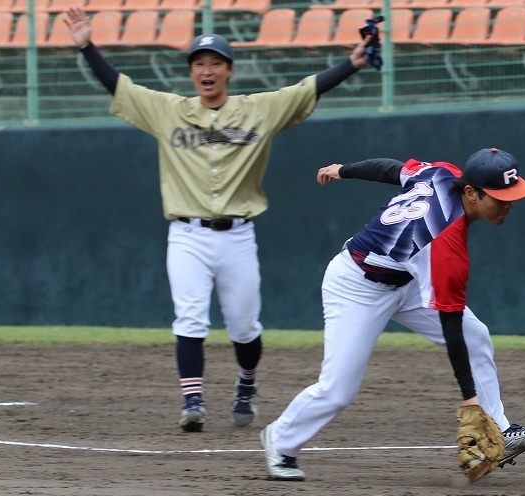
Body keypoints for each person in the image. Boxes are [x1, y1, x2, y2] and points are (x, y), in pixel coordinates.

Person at [63, 7, 374, 432]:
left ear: (229, 70)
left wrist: (352, 64)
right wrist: (87, 46)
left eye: (215, 63)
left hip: (237, 236)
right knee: (190, 317)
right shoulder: (168, 110)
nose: (206, 70)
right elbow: (120, 86)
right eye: (199, 63)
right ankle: (193, 401)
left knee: (244, 325)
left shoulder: (258, 110)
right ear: (192, 72)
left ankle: (246, 383)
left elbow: (306, 89)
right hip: (186, 235)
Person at [260, 148, 525, 480]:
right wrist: (469, 399)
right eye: (500, 197)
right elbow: (450, 325)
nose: (509, 204)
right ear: (472, 192)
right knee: (337, 389)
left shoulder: (441, 173)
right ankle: (280, 440)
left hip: (406, 278)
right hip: (357, 286)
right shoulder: (443, 242)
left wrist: (344, 169)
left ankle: (501, 430)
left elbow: (391, 169)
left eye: (512, 195)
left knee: (476, 336)